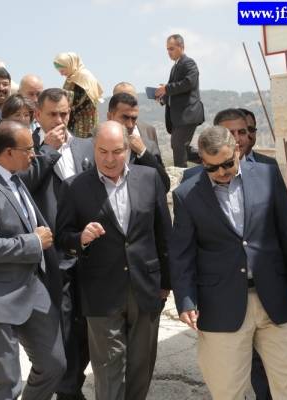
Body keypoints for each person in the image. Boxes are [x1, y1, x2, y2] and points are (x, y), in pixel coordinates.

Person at [170, 125, 287, 399]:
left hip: (274, 298)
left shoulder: (268, 176)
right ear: (202, 161)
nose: (221, 172)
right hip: (220, 305)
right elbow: (182, 255)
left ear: (237, 150)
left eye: (227, 164)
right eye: (212, 168)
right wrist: (186, 301)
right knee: (227, 390)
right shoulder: (186, 195)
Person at [56, 121, 172, 400]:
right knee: (108, 369)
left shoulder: (149, 178)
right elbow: (62, 237)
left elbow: (164, 234)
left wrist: (167, 283)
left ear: (128, 149)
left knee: (141, 366)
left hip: (145, 288)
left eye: (117, 151)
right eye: (103, 151)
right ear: (93, 148)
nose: (110, 159)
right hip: (100, 292)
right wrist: (81, 238)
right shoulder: (75, 187)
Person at [0, 120, 66, 400]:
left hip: (33, 290)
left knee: (54, 365)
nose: (33, 154)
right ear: (8, 152)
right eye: (28, 149)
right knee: (7, 384)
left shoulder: (16, 179)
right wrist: (33, 242)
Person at [20, 88, 94, 400]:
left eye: (64, 113)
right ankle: (68, 390)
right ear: (37, 115)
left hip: (87, 252)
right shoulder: (28, 149)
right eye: (52, 114)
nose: (60, 120)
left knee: (87, 326)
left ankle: (73, 382)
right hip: (53, 255)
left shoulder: (86, 146)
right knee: (63, 325)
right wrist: (47, 150)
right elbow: (20, 187)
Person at [182, 108, 277, 181]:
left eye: (242, 132)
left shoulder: (269, 171)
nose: (237, 139)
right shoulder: (191, 178)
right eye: (230, 133)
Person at [155, 34, 204, 167]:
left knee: (178, 145)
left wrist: (166, 88)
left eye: (171, 49)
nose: (169, 52)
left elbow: (188, 83)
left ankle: (181, 175)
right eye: (167, 49)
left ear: (181, 47)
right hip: (179, 116)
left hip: (188, 113)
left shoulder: (188, 63)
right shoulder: (175, 67)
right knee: (180, 146)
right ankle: (209, 159)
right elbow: (174, 90)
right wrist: (162, 98)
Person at [107, 92, 170, 192]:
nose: (130, 125)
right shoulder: (93, 145)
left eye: (134, 119)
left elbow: (164, 184)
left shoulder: (148, 146)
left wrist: (143, 153)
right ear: (110, 117)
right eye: (125, 117)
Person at [112, 81, 165, 165]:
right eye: (122, 98)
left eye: (131, 98)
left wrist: (143, 152)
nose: (128, 102)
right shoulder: (99, 135)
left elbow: (159, 168)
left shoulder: (149, 130)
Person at [53, 52, 103, 138]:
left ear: (69, 65)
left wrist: (61, 94)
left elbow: (83, 96)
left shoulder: (84, 76)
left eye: (62, 71)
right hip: (74, 120)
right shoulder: (72, 77)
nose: (61, 74)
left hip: (84, 121)